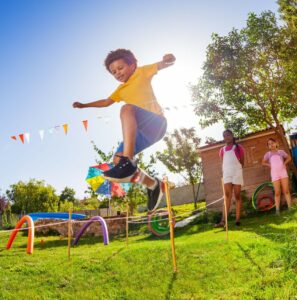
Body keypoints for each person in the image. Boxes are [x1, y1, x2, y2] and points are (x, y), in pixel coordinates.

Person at [73, 49, 175, 211]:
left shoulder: (141, 72)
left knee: (126, 109)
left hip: (156, 123)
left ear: (132, 65)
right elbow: (106, 102)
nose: (117, 73)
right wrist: (84, 105)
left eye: (120, 68)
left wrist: (168, 60)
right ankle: (153, 184)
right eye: (114, 72)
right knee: (116, 161)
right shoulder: (120, 90)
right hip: (142, 133)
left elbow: (162, 64)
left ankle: (128, 161)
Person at [215, 129, 245, 227]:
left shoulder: (238, 147)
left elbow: (242, 162)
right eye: (224, 136)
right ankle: (223, 221)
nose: (226, 137)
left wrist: (238, 169)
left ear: (232, 136)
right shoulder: (222, 150)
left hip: (237, 172)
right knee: (227, 195)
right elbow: (222, 163)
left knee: (237, 195)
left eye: (228, 135)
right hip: (227, 173)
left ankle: (237, 219)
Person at [262, 138, 292, 215]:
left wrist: (284, 164)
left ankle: (290, 208)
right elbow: (263, 162)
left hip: (283, 172)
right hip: (274, 174)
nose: (271, 145)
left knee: (286, 190)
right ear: (268, 146)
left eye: (272, 143)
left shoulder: (281, 152)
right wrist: (269, 165)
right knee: (277, 192)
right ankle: (277, 211)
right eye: (269, 144)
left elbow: (289, 158)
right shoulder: (268, 154)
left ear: (276, 143)